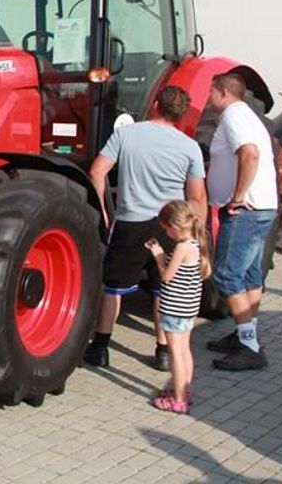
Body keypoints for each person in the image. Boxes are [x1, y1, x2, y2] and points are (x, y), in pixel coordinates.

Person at [83, 86, 207, 370]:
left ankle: (100, 348)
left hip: (131, 221)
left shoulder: (126, 134)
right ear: (181, 114)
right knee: (162, 287)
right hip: (172, 226)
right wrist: (195, 235)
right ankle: (163, 351)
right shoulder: (189, 147)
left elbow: (97, 171)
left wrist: (101, 209)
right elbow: (197, 197)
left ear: (154, 104)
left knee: (113, 287)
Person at [204, 72, 279, 371]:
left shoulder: (234, 117)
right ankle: (244, 335)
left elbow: (250, 154)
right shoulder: (246, 116)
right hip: (261, 208)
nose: (208, 97)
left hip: (246, 210)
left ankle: (249, 346)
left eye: (210, 91)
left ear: (223, 93)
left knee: (226, 275)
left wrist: (237, 196)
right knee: (249, 276)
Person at [145, 200, 210, 414]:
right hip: (188, 308)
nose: (166, 233)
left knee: (175, 354)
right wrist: (163, 252)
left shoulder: (182, 248)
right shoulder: (195, 244)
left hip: (174, 308)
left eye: (166, 229)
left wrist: (157, 256)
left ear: (174, 226)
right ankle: (185, 391)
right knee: (184, 350)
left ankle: (178, 399)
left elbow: (166, 276)